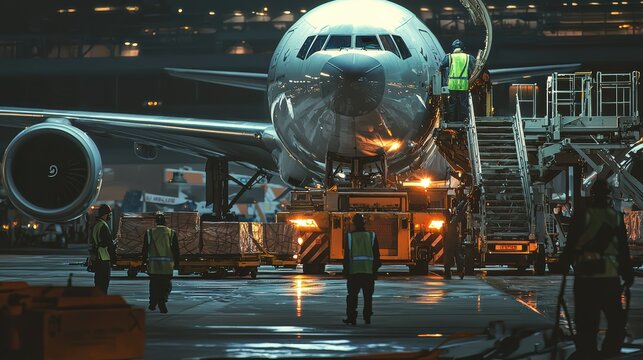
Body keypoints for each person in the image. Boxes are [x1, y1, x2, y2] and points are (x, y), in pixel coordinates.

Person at [562, 178, 634, 359]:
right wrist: (627, 273)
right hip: (609, 278)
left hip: (586, 277)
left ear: (592, 196)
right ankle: (609, 353)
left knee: (586, 322)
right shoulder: (615, 217)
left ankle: (588, 353)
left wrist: (562, 263)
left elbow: (570, 245)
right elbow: (623, 250)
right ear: (609, 196)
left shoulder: (582, 216)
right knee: (616, 321)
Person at [343, 213, 380, 325]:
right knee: (368, 297)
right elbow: (376, 255)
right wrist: (375, 270)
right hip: (368, 272)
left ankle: (351, 318)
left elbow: (347, 256)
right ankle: (367, 318)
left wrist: (346, 270)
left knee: (352, 296)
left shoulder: (349, 237)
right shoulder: (371, 236)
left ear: (353, 223)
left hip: (354, 272)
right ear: (364, 223)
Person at [142, 212, 179, 314]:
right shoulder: (171, 233)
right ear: (165, 221)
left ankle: (153, 302)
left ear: (156, 222)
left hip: (153, 266)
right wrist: (178, 263)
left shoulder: (149, 232)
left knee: (154, 285)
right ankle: (162, 301)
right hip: (167, 267)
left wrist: (143, 263)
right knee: (166, 285)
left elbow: (145, 249)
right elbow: (176, 250)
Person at [440, 39, 477, 122]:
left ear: (453, 48)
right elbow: (476, 66)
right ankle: (465, 119)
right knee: (463, 102)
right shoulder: (468, 57)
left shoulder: (449, 56)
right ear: (462, 48)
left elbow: (441, 66)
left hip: (452, 84)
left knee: (452, 102)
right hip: (463, 83)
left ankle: (451, 119)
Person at [91, 204, 116, 294]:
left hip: (97, 258)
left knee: (98, 283)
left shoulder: (96, 224)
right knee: (104, 284)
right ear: (105, 214)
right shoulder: (103, 225)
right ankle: (102, 302)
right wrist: (114, 259)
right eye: (109, 215)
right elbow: (108, 244)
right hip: (104, 259)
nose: (109, 217)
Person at [444, 199, 467, 280]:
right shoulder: (452, 223)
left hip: (448, 242)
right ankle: (460, 272)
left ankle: (447, 274)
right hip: (454, 242)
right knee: (458, 257)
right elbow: (459, 216)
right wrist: (465, 203)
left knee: (448, 258)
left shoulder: (448, 223)